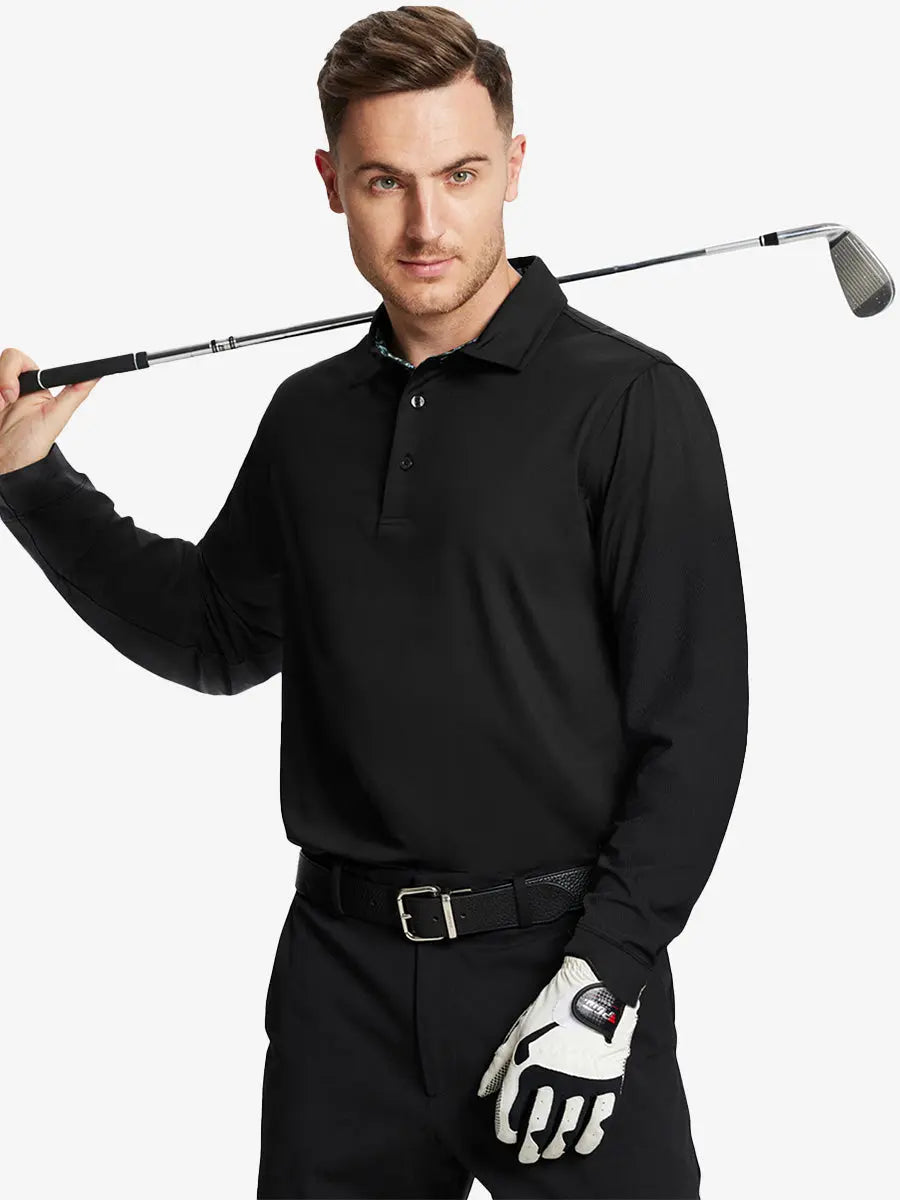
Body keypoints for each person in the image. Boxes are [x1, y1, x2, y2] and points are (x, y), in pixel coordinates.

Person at [0, 6, 748, 1198]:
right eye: (385, 181)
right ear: (331, 183)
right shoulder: (311, 417)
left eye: (460, 174)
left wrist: (601, 985)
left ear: (514, 164)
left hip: (563, 972)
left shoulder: (632, 405)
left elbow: (694, 733)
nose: (426, 225)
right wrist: (32, 484)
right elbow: (217, 635)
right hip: (339, 990)